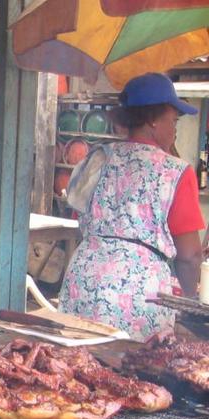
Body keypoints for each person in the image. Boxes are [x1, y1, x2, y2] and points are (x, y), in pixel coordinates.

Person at [59, 72, 205, 341]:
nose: (175, 129)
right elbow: (190, 255)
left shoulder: (98, 157)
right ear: (152, 119)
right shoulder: (177, 172)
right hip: (139, 294)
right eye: (173, 120)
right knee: (133, 375)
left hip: (84, 281)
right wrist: (189, 297)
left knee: (76, 373)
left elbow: (77, 202)